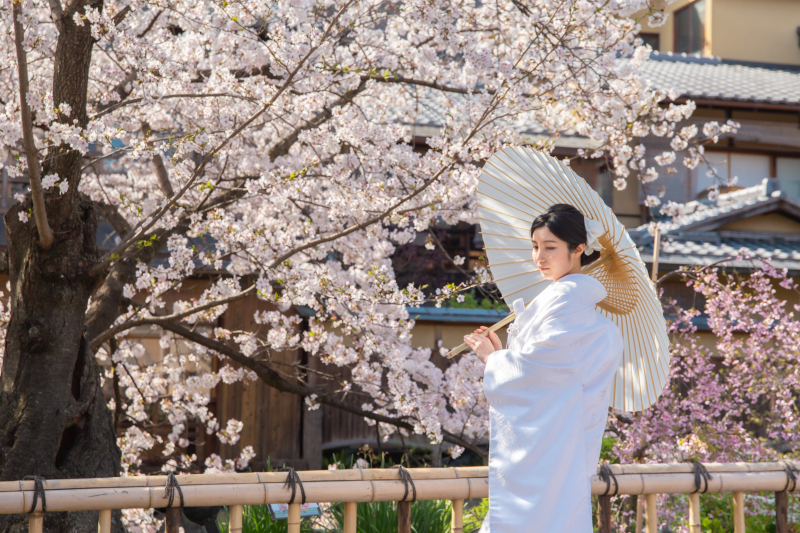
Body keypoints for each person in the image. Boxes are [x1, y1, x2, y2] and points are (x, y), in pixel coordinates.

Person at [462, 204, 623, 533]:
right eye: (535, 247)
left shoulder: (566, 300)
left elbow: (540, 369)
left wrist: (493, 360)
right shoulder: (566, 301)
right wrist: (503, 353)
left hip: (547, 445)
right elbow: (546, 367)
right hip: (560, 441)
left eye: (551, 248)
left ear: (578, 249)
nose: (540, 257)